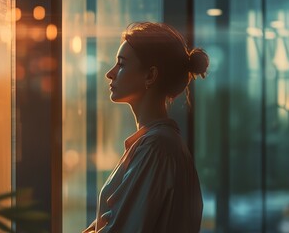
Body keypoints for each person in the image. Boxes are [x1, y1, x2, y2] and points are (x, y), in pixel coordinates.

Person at [82, 22, 209, 233]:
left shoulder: (156, 148)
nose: (110, 73)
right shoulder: (157, 144)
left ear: (150, 75)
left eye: (121, 64)